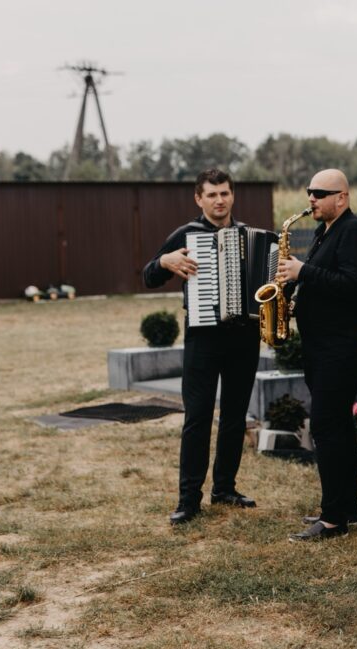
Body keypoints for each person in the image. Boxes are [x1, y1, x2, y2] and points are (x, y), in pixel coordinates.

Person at [142, 168, 261, 525]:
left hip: (244, 337)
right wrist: (165, 261)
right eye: (212, 195)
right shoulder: (185, 235)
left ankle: (224, 487)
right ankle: (188, 499)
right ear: (199, 199)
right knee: (197, 418)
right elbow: (148, 275)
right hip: (202, 339)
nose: (219, 200)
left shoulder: (249, 236)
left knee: (235, 416)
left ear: (232, 195)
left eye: (224, 193)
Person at [276, 169, 357, 541]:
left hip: (342, 349)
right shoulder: (325, 231)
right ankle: (346, 506)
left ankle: (333, 519)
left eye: (320, 192)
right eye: (309, 192)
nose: (311, 199)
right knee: (337, 428)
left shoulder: (355, 231)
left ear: (343, 197)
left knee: (325, 426)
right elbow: (327, 283)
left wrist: (303, 272)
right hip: (322, 348)